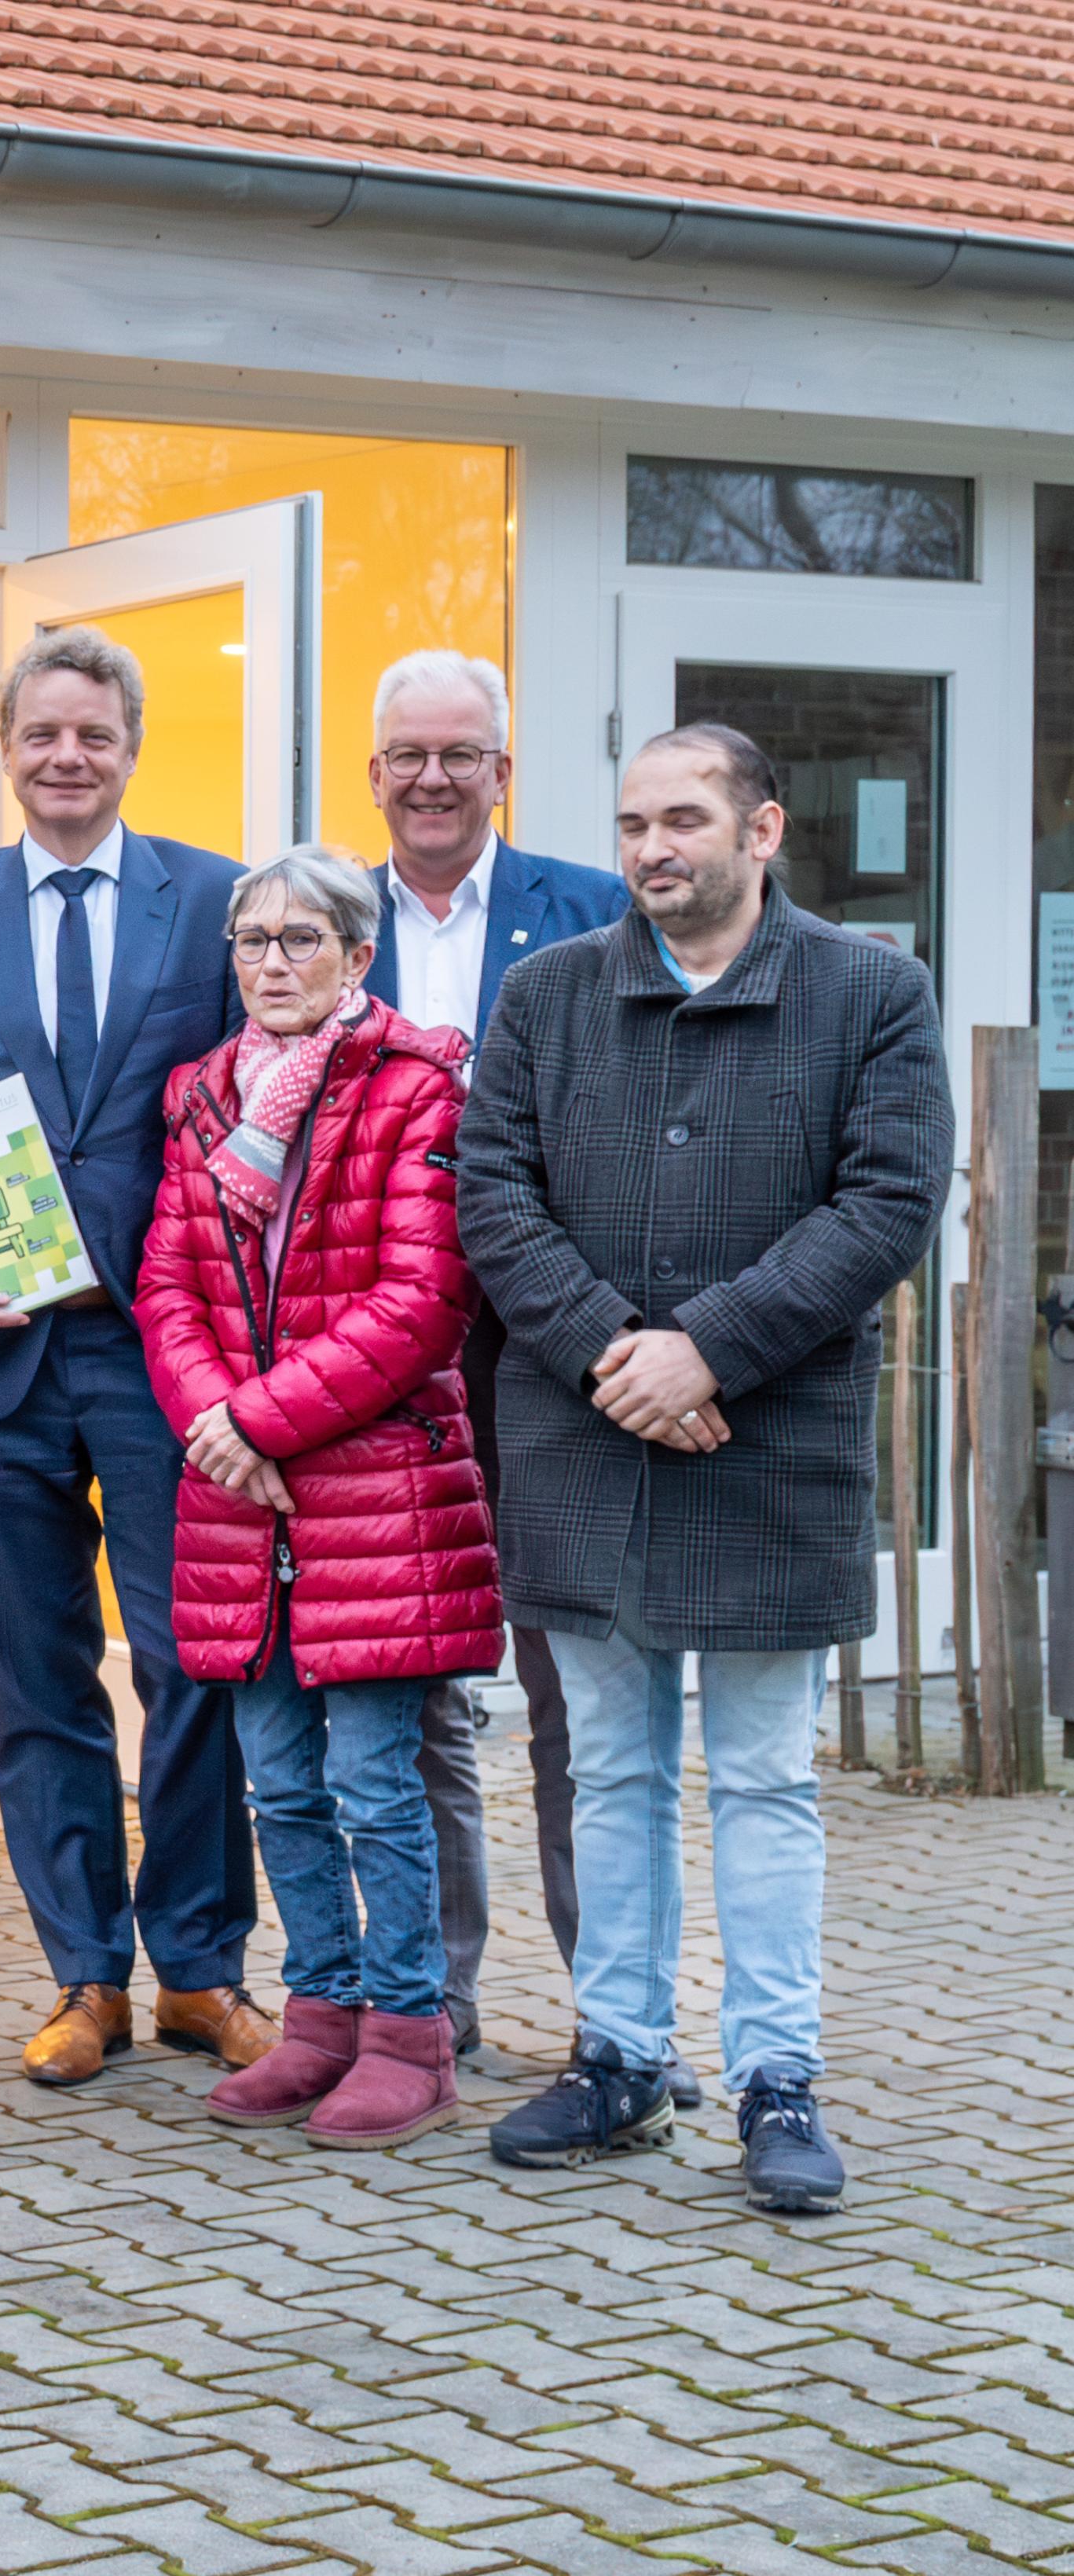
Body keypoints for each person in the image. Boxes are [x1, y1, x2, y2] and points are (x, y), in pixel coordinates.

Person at [460, 724, 948, 2217]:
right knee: (606, 1769)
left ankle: (777, 2081)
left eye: (683, 819)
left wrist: (711, 1352)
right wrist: (621, 1353)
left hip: (769, 1447)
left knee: (763, 1780)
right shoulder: (547, 995)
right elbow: (493, 1195)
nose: (652, 848)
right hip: (584, 1437)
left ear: (762, 830)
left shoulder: (870, 992)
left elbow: (888, 1202)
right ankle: (618, 2055)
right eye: (632, 825)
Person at [0, 625, 272, 2088]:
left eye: (94, 733)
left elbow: (269, 1099)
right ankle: (85, 1977)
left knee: (195, 1664)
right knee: (39, 1679)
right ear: (9, 748)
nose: (68, 756)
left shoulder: (216, 902)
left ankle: (202, 1971)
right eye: (43, 733)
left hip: (173, 1363)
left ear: (131, 746)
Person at [135, 849, 499, 2148]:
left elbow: (424, 1301)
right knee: (280, 1784)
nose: (272, 961)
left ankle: (411, 2034)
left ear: (358, 955)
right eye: (252, 939)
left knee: (375, 1785)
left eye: (302, 938)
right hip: (242, 1498)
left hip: (374, 1490)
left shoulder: (420, 1084)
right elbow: (166, 1285)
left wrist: (253, 1421)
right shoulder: (201, 1095)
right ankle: (324, 2019)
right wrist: (218, 1427)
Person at [354, 647, 634, 2069]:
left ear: (502, 771)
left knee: (580, 1696)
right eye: (409, 754)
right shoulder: (327, 925)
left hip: (554, 1354)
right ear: (373, 774)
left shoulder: (591, 912)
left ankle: (617, 2010)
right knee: (416, 1694)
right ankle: (433, 1993)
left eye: (459, 754)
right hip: (389, 1368)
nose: (433, 779)